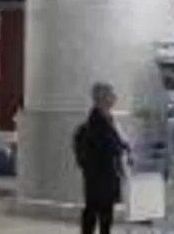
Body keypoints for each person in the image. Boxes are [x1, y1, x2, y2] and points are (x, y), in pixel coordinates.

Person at [73, 82, 130, 234]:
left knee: (104, 213)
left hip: (106, 177)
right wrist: (120, 147)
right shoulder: (94, 125)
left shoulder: (109, 120)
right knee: (95, 212)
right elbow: (106, 146)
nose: (115, 98)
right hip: (99, 177)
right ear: (102, 99)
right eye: (111, 95)